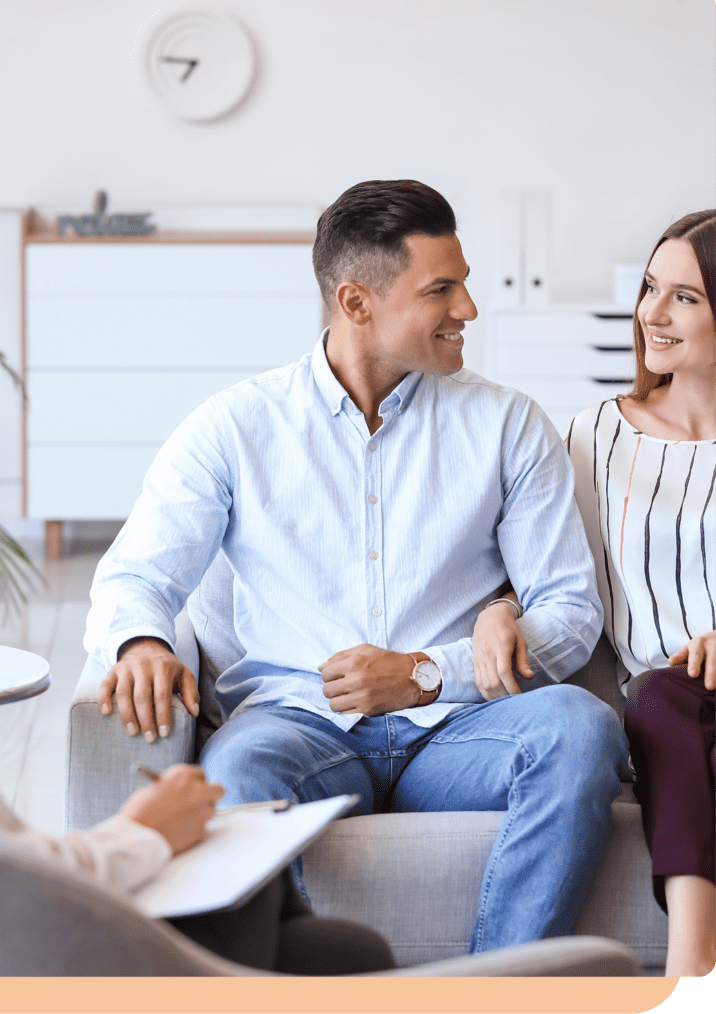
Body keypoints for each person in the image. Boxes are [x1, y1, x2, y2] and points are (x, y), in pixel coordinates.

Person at [85, 179, 629, 954]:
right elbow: (136, 572)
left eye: (464, 282)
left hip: (461, 731)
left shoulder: (508, 425)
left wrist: (424, 675)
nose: (469, 308)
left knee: (579, 727)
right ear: (356, 302)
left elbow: (570, 613)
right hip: (297, 726)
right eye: (441, 289)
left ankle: (501, 992)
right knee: (236, 772)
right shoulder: (234, 427)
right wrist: (142, 642)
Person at [472, 210, 716, 977]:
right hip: (672, 696)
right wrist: (499, 610)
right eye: (650, 287)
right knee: (660, 699)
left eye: (685, 297)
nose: (652, 313)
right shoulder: (597, 436)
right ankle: (693, 969)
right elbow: (542, 564)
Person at [0, 645, 394, 974]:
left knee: (335, 949)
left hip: (12, 933)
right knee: (338, 947)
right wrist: (146, 830)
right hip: (32, 952)